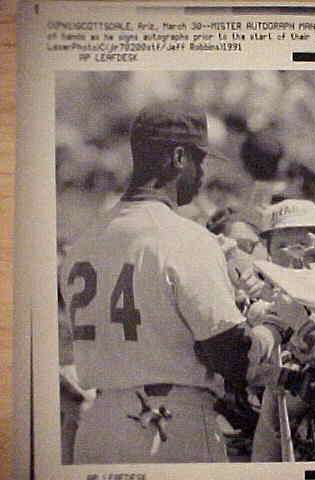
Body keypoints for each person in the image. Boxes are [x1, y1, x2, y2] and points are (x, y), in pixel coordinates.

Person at [59, 101, 284, 463]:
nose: (202, 174)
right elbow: (233, 358)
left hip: (98, 425)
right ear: (179, 158)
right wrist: (273, 326)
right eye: (200, 161)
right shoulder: (185, 238)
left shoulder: (82, 243)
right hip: (168, 427)